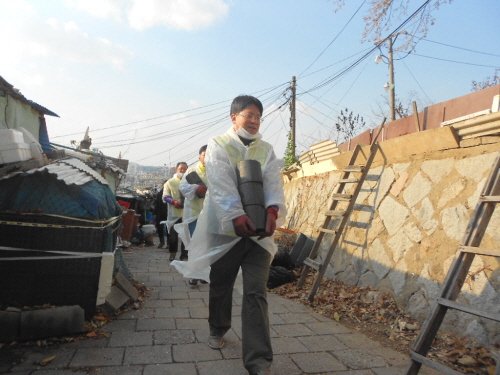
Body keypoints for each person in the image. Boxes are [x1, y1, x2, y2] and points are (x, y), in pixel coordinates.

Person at [172, 95, 286, 375]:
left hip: (259, 234)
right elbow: (221, 183)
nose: (255, 120)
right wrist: (236, 215)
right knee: (221, 285)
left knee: (256, 293)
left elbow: (273, 182)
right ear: (234, 117)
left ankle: (259, 362)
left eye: (259, 116)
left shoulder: (267, 149)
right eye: (249, 115)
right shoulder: (218, 144)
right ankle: (218, 327)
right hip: (225, 230)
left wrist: (272, 211)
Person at [174, 145, 208, 285]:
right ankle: (194, 274)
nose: (208, 157)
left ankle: (205, 272)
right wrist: (196, 189)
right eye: (205, 154)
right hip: (194, 213)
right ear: (199, 156)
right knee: (195, 244)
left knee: (207, 244)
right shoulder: (192, 171)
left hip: (210, 213)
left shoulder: (217, 170)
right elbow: (183, 187)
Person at [162, 162, 188, 262]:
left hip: (187, 213)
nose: (183, 171)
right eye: (181, 168)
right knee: (173, 236)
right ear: (176, 169)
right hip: (174, 214)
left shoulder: (189, 182)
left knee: (186, 236)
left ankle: (184, 255)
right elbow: (165, 196)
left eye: (185, 169)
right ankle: (172, 253)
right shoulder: (170, 182)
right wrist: (173, 202)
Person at [154, 182, 169, 249]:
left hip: (167, 213)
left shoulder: (170, 192)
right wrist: (155, 213)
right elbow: (157, 204)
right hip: (161, 213)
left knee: (167, 228)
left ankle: (166, 243)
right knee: (162, 228)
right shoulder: (160, 193)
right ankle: (162, 242)